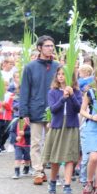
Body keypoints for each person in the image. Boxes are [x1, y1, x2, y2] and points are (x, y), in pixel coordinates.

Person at [19, 35, 60, 185]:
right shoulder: (30, 67)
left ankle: (45, 169)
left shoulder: (57, 67)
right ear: (39, 48)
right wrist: (24, 112)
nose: (50, 48)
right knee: (36, 142)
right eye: (47, 46)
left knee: (52, 142)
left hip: (54, 109)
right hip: (35, 109)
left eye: (52, 46)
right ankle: (37, 171)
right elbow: (24, 90)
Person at [44, 67, 82, 194]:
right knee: (55, 157)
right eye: (58, 74)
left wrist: (71, 95)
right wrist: (63, 98)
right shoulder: (53, 92)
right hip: (58, 126)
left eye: (63, 74)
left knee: (69, 157)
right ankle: (53, 181)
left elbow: (78, 108)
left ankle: (67, 185)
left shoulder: (76, 92)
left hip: (71, 126)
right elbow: (53, 109)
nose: (60, 76)